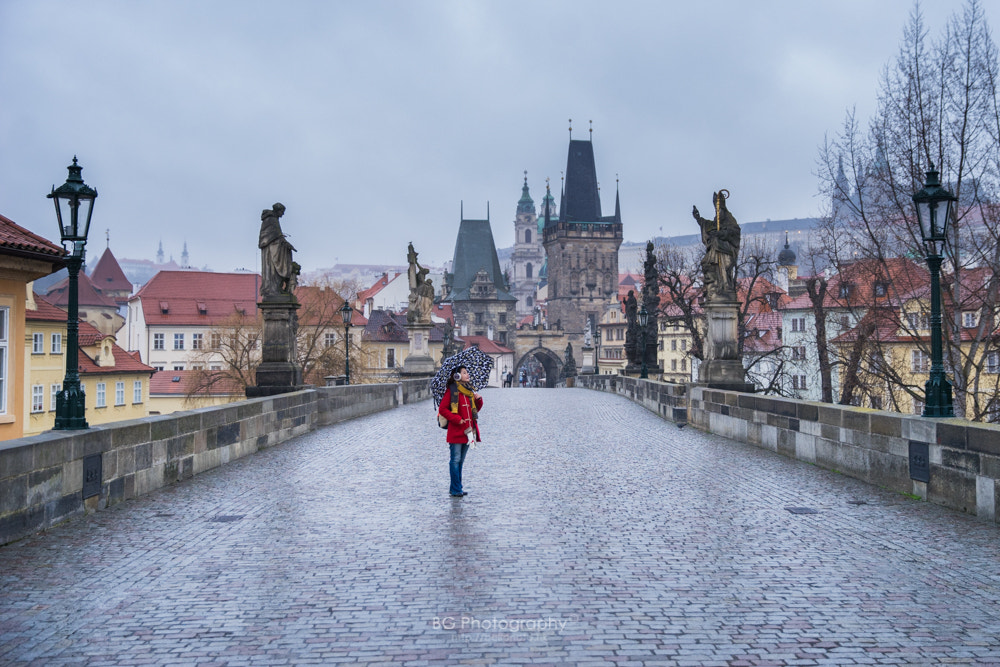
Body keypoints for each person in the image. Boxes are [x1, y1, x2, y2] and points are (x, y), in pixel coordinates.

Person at [437, 365, 483, 498]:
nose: (467, 374)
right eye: (464, 373)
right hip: (456, 431)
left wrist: (479, 400)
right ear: (457, 376)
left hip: (468, 432)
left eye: (467, 372)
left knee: (460, 461)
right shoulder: (452, 391)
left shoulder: (469, 391)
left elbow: (474, 412)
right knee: (455, 460)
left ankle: (456, 488)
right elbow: (443, 409)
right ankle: (456, 489)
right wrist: (457, 419)